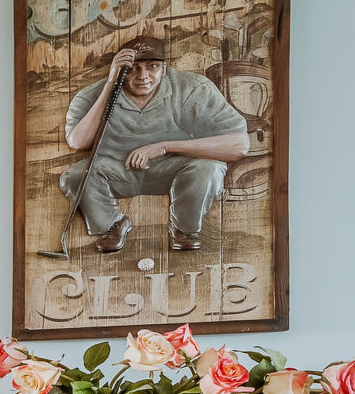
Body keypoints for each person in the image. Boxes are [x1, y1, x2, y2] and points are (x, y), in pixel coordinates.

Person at [59, 33, 249, 252]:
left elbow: (239, 145)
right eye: (132, 69)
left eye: (152, 66)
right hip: (119, 171)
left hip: (175, 170)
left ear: (164, 68)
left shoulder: (193, 88)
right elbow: (77, 141)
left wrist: (164, 146)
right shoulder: (92, 94)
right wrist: (111, 83)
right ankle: (113, 224)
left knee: (209, 168)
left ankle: (184, 229)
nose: (143, 76)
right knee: (74, 176)